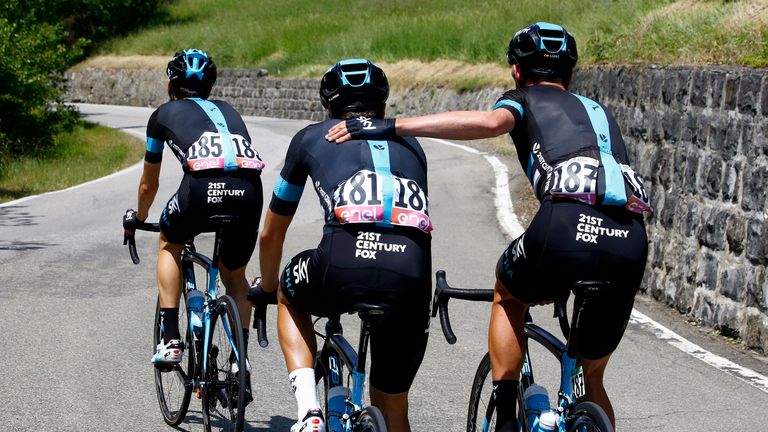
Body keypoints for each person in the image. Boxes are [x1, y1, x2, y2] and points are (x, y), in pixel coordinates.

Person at [326, 23, 651, 430]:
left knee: (508, 296)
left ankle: (506, 415)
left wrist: (393, 125)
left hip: (565, 226)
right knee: (591, 378)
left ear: (516, 71)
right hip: (631, 237)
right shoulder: (600, 112)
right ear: (570, 74)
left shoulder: (522, 99)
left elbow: (490, 124)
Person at [258, 59, 432, 432]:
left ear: (329, 108)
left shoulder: (311, 137)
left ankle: (308, 412)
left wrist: (269, 288)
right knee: (394, 406)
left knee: (289, 293)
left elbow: (271, 234)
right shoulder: (412, 144)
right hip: (411, 276)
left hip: (341, 262)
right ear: (383, 106)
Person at [123, 49, 265, 400]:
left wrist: (138, 218)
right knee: (234, 274)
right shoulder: (229, 111)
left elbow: (148, 185)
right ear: (211, 87)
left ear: (171, 84)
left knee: (170, 243)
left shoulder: (161, 115)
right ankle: (239, 361)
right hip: (249, 191)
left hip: (201, 189)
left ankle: (171, 338)